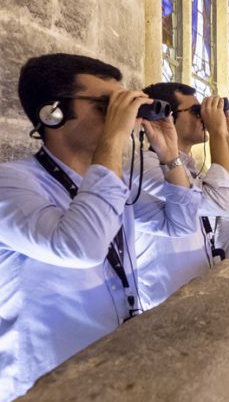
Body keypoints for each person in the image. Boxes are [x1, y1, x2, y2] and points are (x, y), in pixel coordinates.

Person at [0, 54, 198, 399]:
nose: (122, 117)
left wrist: (170, 156)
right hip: (44, 384)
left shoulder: (114, 185)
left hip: (111, 368)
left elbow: (180, 224)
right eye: (107, 106)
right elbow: (81, 247)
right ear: (53, 113)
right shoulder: (12, 182)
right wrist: (114, 140)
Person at [133, 83, 229, 310]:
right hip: (164, 303)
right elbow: (224, 201)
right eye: (196, 112)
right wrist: (217, 134)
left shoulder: (188, 168)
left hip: (194, 296)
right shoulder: (146, 167)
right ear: (164, 116)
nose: (204, 117)